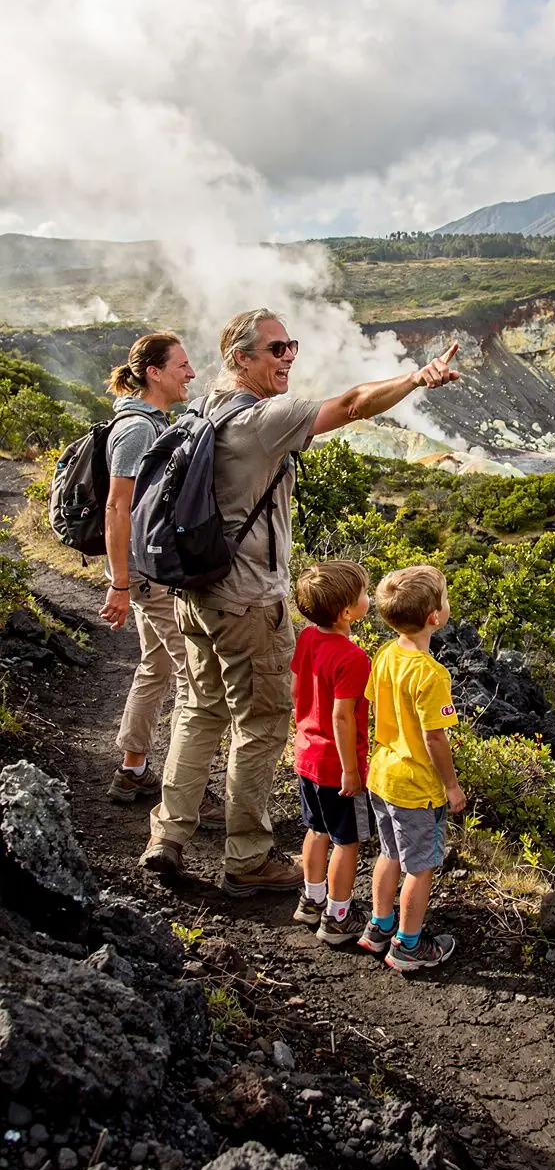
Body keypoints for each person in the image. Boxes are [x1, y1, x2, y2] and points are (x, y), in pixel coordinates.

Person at [138, 308, 459, 894]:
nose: (290, 357)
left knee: (199, 709)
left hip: (193, 593)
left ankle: (168, 835)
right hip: (248, 603)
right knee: (259, 724)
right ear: (242, 358)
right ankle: (248, 859)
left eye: (293, 346)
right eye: (277, 349)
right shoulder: (265, 418)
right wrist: (416, 378)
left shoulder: (203, 410)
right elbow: (355, 403)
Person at [100, 332, 224, 823]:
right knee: (199, 680)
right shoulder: (137, 430)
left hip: (143, 575)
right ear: (154, 372)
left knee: (155, 667)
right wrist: (120, 582)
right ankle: (188, 792)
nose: (191, 373)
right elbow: (118, 506)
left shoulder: (149, 422)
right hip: (148, 577)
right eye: (182, 365)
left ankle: (133, 769)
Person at [358, 564, 466, 972]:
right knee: (420, 868)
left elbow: (375, 705)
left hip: (382, 775)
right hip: (415, 785)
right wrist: (451, 786)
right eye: (444, 597)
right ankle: (408, 946)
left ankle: (378, 926)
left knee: (389, 853)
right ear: (434, 617)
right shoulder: (432, 674)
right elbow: (434, 738)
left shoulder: (385, 655)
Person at [290, 560, 373, 945]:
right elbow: (343, 717)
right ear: (346, 613)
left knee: (316, 829)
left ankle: (312, 899)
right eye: (363, 594)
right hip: (336, 767)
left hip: (307, 755)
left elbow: (296, 690)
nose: (367, 598)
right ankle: (338, 917)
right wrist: (351, 770)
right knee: (347, 841)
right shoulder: (354, 659)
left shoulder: (307, 638)